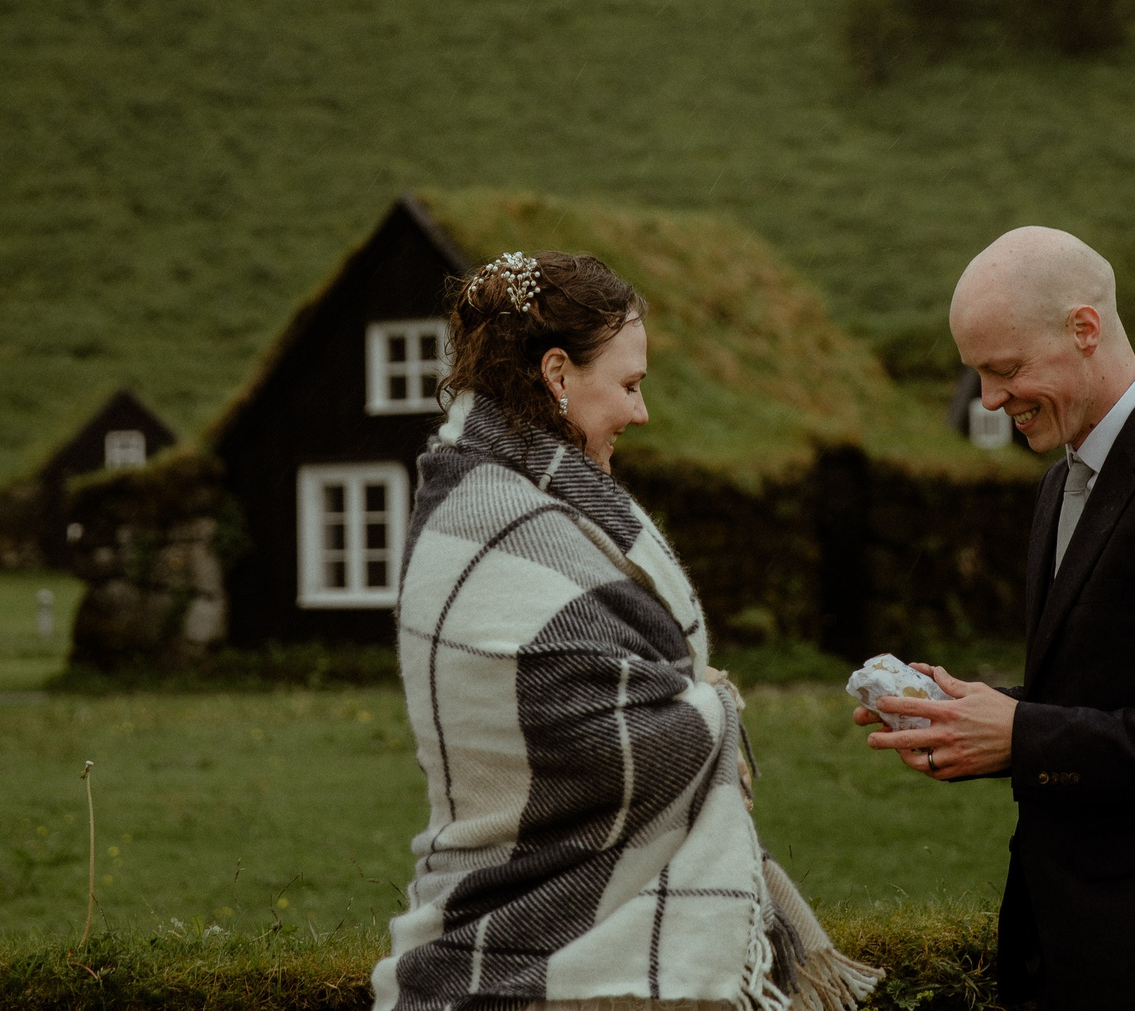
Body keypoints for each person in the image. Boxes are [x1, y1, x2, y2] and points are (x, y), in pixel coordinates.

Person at [375, 249, 878, 1011]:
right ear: (558, 373)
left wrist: (675, 688)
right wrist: (711, 710)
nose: (641, 413)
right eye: (630, 385)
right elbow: (590, 727)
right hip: (516, 937)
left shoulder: (513, 491)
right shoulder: (489, 511)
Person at [855, 227, 1135, 1008]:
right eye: (978, 375)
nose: (989, 400)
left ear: (1084, 329)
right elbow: (1119, 689)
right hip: (1072, 942)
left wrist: (1024, 736)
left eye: (1007, 369)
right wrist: (978, 720)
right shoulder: (1064, 482)